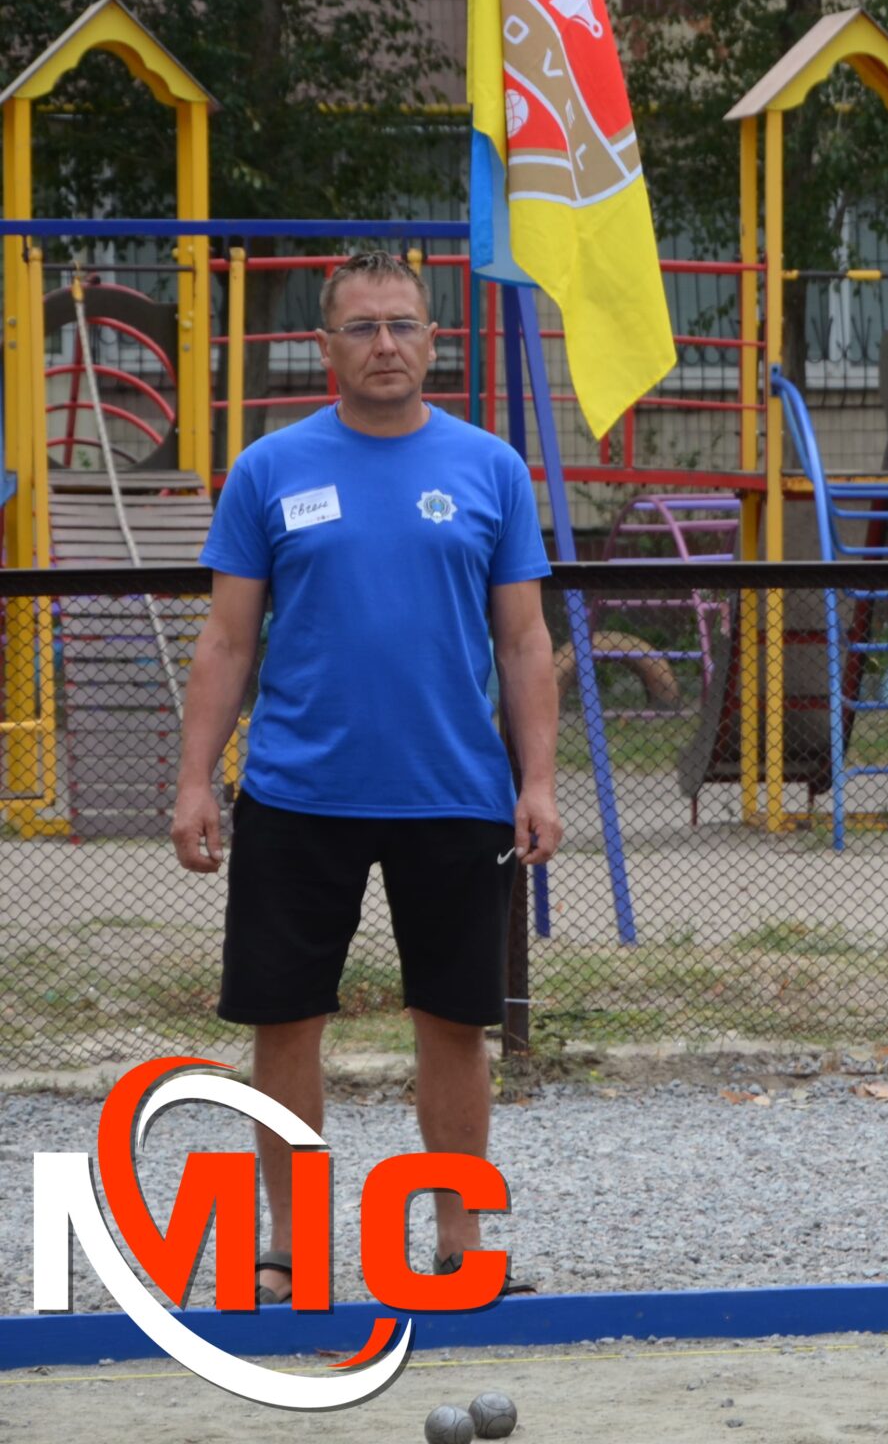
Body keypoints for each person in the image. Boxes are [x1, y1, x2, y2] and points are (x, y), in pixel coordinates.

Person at [170, 251, 559, 1304]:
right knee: (286, 1024)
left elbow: (524, 643)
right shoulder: (269, 470)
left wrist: (537, 781)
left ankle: (459, 1241)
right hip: (298, 796)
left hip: (454, 793)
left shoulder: (489, 469)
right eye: (362, 327)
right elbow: (226, 640)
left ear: (434, 340)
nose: (385, 344)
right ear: (324, 346)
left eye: (403, 325)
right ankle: (289, 1249)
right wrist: (196, 780)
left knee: (454, 1023)